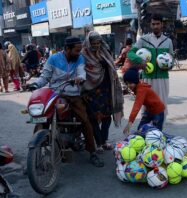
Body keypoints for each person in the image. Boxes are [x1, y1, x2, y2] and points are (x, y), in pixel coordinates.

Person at [28, 36, 103, 167]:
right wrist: (35, 85)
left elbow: (81, 73)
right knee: (42, 118)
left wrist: (79, 78)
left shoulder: (79, 58)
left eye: (80, 50)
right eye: (76, 50)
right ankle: (34, 156)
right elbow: (45, 76)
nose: (79, 53)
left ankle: (92, 152)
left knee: (84, 120)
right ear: (67, 49)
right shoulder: (53, 58)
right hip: (55, 93)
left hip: (73, 94)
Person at [81, 31, 124, 153]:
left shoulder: (104, 51)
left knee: (107, 118)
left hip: (105, 90)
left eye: (98, 42)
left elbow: (112, 68)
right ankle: (98, 143)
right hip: (90, 92)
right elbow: (80, 72)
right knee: (93, 119)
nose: (96, 45)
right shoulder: (83, 55)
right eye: (93, 43)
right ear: (89, 43)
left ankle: (104, 141)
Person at [127, 14, 173, 120]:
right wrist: (141, 61)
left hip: (162, 78)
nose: (155, 26)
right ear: (150, 25)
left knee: (161, 107)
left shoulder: (168, 41)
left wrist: (169, 65)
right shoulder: (144, 39)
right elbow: (130, 53)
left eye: (158, 24)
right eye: (153, 24)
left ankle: (158, 131)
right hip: (147, 78)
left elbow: (172, 58)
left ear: (162, 25)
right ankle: (146, 131)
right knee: (146, 108)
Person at [123, 68, 165, 135]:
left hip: (158, 111)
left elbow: (137, 106)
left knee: (157, 133)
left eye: (130, 83)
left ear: (135, 81)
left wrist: (130, 121)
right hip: (149, 110)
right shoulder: (137, 86)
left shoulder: (141, 90)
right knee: (141, 129)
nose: (128, 86)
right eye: (127, 83)